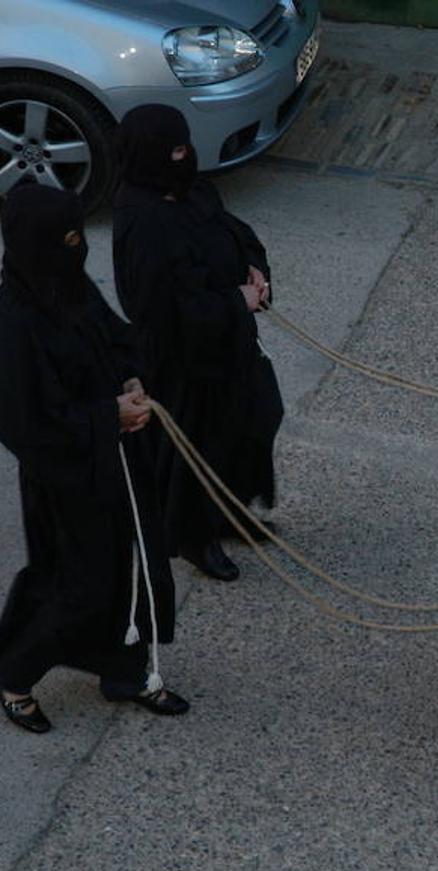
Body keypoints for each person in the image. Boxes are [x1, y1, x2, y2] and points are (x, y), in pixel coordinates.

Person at [0, 183, 189, 734]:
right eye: (68, 238)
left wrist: (133, 377)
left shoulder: (68, 286)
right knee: (81, 586)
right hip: (65, 480)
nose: (80, 247)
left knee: (133, 572)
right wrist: (106, 416)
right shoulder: (13, 324)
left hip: (117, 461)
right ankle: (13, 673)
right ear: (40, 244)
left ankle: (124, 672)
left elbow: (116, 338)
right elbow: (19, 422)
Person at [111, 104, 283, 582]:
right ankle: (193, 536)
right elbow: (161, 311)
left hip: (229, 347)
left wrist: (254, 269)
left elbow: (235, 233)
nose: (185, 157)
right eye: (175, 150)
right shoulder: (143, 224)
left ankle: (228, 512)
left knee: (258, 416)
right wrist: (236, 301)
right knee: (197, 451)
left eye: (185, 146)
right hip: (184, 364)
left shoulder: (189, 189)